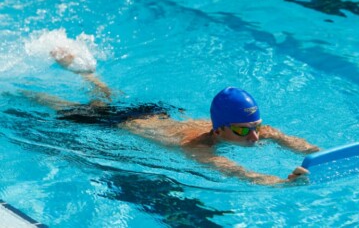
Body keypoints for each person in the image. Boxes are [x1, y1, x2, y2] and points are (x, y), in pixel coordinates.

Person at [26, 47, 321, 185]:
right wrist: (283, 183)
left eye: (257, 127)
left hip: (155, 113)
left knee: (108, 97)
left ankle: (88, 73)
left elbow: (294, 142)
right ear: (218, 131)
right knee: (59, 104)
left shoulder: (246, 128)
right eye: (245, 131)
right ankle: (21, 90)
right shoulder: (197, 147)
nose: (256, 136)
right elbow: (239, 173)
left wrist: (324, 156)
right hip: (121, 123)